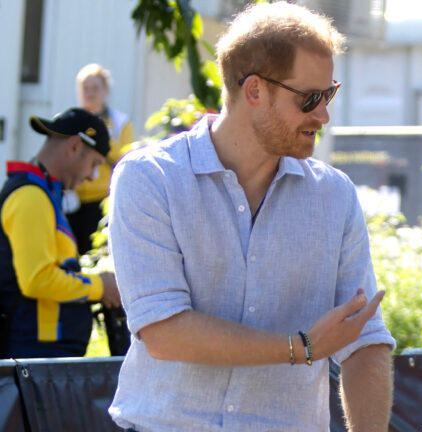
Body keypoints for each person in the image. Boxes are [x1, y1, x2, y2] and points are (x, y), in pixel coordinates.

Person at [107, 2, 395, 431]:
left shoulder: (335, 195)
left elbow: (365, 340)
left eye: (328, 93)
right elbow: (164, 332)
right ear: (255, 91)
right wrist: (301, 347)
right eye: (310, 98)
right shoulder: (150, 178)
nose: (323, 115)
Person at [0, 108, 121, 358]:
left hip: (39, 354)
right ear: (75, 146)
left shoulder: (43, 194)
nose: (91, 176)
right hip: (30, 355)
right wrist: (100, 286)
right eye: (94, 164)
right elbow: (37, 279)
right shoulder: (31, 196)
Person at [70, 63, 135, 255]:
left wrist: (99, 138)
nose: (90, 93)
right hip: (73, 201)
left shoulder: (120, 122)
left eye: (95, 88)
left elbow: (126, 160)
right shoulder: (71, 121)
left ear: (105, 90)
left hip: (103, 200)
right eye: (85, 88)